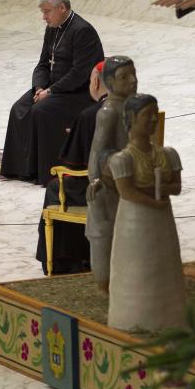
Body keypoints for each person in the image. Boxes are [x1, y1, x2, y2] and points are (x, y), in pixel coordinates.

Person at [0, 0, 104, 183]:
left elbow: (80, 73)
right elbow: (42, 63)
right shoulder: (52, 29)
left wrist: (51, 90)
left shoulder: (83, 31)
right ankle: (21, 168)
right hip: (52, 88)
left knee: (41, 110)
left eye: (47, 11)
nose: (44, 17)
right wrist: (39, 87)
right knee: (19, 108)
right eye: (43, 12)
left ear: (62, 7)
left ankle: (46, 172)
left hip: (78, 93)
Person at [107, 94, 185, 332]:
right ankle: (131, 317)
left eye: (155, 114)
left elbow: (177, 187)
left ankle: (168, 317)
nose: (153, 120)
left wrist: (154, 192)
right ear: (131, 119)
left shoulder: (168, 154)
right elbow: (126, 192)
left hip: (161, 222)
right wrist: (156, 197)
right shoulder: (122, 159)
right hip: (135, 224)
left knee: (164, 266)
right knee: (137, 268)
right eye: (146, 116)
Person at [34, 61, 107, 274]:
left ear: (95, 82)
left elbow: (74, 161)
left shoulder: (91, 115)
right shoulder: (138, 110)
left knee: (57, 186)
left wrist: (75, 136)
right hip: (133, 184)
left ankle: (64, 260)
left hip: (100, 189)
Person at [86, 55, 138, 292]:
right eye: (124, 77)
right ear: (108, 81)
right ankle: (103, 285)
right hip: (109, 183)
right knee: (104, 236)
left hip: (131, 178)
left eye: (133, 74)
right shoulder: (108, 112)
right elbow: (98, 148)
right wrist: (95, 179)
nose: (132, 81)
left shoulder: (135, 106)